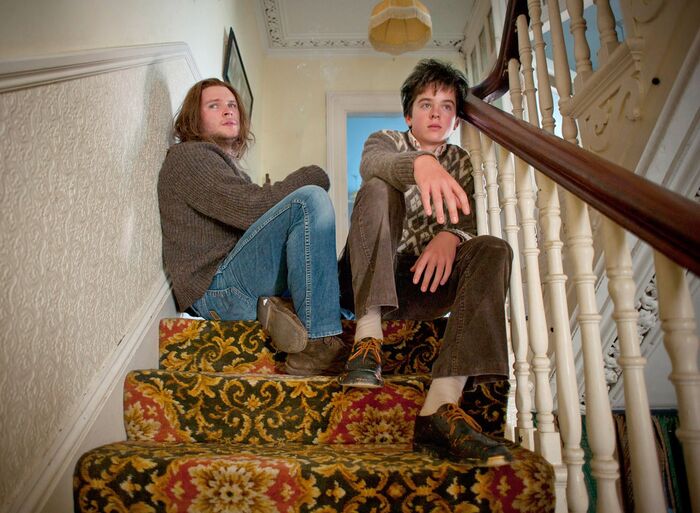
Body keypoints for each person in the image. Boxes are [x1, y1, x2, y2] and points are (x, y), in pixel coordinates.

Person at [338, 59, 513, 464]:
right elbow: (373, 165)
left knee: (493, 249)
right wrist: (421, 162)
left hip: (423, 283)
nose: (436, 113)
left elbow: (466, 220)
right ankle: (367, 340)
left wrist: (452, 236)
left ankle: (441, 405)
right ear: (408, 115)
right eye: (426, 104)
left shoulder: (462, 162)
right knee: (378, 188)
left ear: (455, 120)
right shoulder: (384, 140)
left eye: (447, 106)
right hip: (365, 275)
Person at [158, 78, 345, 375]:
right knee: (309, 200)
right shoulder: (190, 157)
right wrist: (314, 174)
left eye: (232, 105)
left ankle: (286, 310)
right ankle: (319, 342)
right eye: (214, 105)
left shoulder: (225, 167)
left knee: (332, 264)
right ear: (195, 117)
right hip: (218, 289)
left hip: (234, 284)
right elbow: (253, 208)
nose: (228, 111)